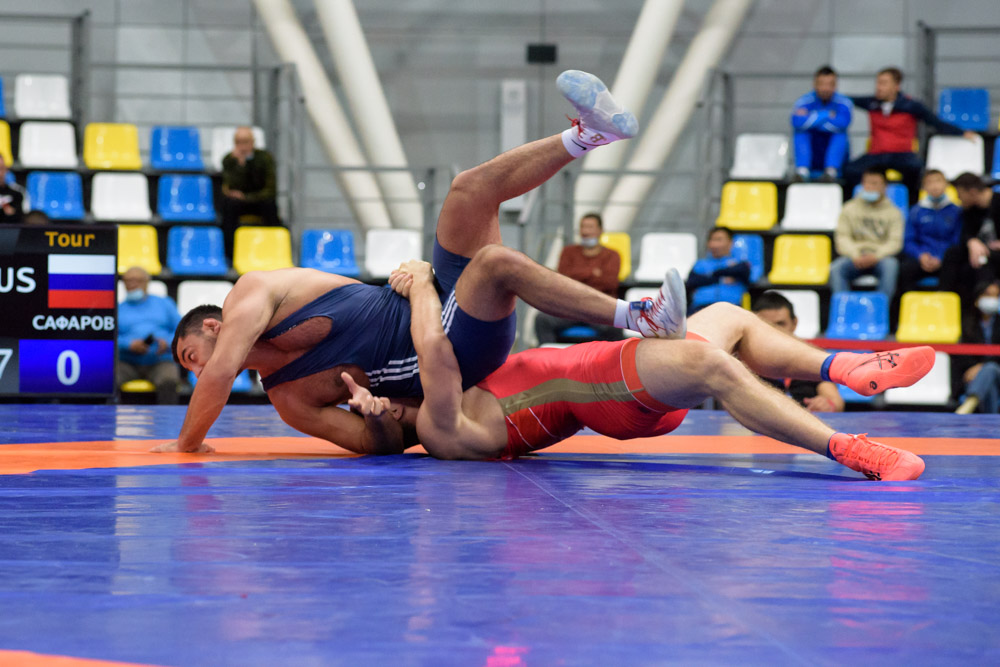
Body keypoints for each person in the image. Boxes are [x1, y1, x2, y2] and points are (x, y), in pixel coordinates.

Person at [161, 69, 685, 455]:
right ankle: (638, 316)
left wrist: (186, 445)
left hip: (435, 297)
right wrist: (378, 417)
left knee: (468, 190)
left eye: (192, 356)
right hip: (451, 348)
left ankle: (588, 135)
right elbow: (380, 444)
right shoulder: (289, 400)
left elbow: (221, 372)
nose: (199, 371)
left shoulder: (253, 292)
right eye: (191, 368)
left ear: (214, 325)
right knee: (496, 262)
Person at [354, 259, 930, 481]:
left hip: (620, 375)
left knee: (728, 316)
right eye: (381, 401)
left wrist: (372, 411)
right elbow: (432, 349)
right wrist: (422, 284)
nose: (388, 396)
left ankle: (847, 366)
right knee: (713, 362)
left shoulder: (452, 404)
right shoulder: (440, 429)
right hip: (610, 389)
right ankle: (852, 450)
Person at [844, 67, 977, 204]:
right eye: (878, 83)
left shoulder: (911, 105)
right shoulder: (871, 103)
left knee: (916, 170)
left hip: (901, 154)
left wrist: (961, 132)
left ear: (896, 86)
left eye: (883, 83)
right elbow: (845, 100)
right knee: (849, 171)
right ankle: (850, 206)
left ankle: (912, 208)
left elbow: (935, 122)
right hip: (876, 154)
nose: (878, 87)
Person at [535, 212, 622, 344]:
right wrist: (593, 272)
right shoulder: (568, 252)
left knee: (616, 326)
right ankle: (549, 356)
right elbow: (563, 279)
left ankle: (615, 357)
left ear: (600, 230)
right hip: (570, 308)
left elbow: (610, 283)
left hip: (599, 309)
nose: (585, 232)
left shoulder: (612, 255)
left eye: (590, 227)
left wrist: (576, 275)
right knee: (542, 320)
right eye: (583, 227)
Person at [751, 291, 844, 412]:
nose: (775, 330)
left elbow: (836, 401)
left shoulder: (815, 356)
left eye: (781, 324)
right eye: (767, 325)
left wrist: (827, 404)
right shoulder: (744, 360)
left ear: (794, 323)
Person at [830, 167, 903, 302]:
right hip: (854, 257)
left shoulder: (894, 212)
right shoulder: (849, 208)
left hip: (880, 257)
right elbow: (842, 237)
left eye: (874, 183)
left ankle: (881, 309)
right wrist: (855, 254)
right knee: (836, 268)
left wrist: (876, 256)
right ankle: (843, 307)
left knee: (891, 266)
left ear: (885, 187)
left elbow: (895, 241)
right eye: (866, 183)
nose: (869, 187)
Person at [117, 267, 183, 404]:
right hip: (127, 362)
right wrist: (128, 344)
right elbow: (111, 338)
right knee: (107, 379)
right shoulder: (118, 309)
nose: (132, 284)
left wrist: (168, 342)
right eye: (128, 280)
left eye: (137, 280)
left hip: (160, 360)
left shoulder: (165, 304)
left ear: (147, 282)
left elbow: (182, 329)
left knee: (169, 381)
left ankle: (167, 417)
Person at [940, 172, 1000, 308]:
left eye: (960, 194)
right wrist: (971, 241)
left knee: (983, 261)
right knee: (953, 254)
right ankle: (944, 299)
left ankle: (987, 300)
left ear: (972, 192)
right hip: (979, 254)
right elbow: (965, 234)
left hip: (993, 255)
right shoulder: (970, 209)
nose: (958, 199)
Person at [898, 169, 962, 297]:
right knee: (905, 269)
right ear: (924, 187)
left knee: (958, 268)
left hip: (946, 259)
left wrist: (941, 257)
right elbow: (909, 240)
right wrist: (921, 255)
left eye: (938, 181)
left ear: (946, 184)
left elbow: (957, 240)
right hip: (922, 258)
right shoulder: (915, 211)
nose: (935, 186)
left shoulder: (957, 211)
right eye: (930, 182)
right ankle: (910, 305)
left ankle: (947, 304)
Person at [220, 126, 279, 258]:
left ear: (253, 142)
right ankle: (230, 254)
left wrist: (246, 197)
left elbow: (270, 189)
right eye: (238, 142)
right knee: (228, 205)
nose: (242, 146)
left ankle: (274, 250)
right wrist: (240, 166)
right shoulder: (229, 160)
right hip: (239, 203)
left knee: (270, 205)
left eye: (245, 141)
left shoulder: (265, 158)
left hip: (259, 200)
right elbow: (230, 187)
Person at [790, 65, 852, 182]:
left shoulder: (844, 102)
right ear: (815, 84)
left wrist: (811, 118)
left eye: (830, 84)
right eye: (822, 84)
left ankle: (831, 172)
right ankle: (802, 171)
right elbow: (797, 122)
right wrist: (826, 114)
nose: (825, 88)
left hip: (837, 160)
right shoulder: (804, 101)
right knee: (801, 131)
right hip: (813, 154)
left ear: (835, 85)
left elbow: (843, 123)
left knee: (839, 133)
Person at [954, 280, 1000, 414]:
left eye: (996, 296)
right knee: (989, 381)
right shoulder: (967, 323)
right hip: (972, 375)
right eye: (988, 295)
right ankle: (991, 418)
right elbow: (962, 353)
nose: (992, 300)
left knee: (990, 369)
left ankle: (969, 403)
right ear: (977, 299)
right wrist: (974, 368)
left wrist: (980, 367)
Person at [685, 226, 751, 312]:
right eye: (712, 240)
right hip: (700, 309)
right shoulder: (700, 264)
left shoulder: (739, 263)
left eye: (719, 240)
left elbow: (741, 271)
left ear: (730, 242)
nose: (714, 244)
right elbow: (691, 282)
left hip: (731, 310)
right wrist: (721, 279)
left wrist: (709, 276)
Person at [0, 154, 25, 223]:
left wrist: (11, 212)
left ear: (6, 170)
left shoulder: (16, 194)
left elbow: (19, 219)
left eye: (1, 168)